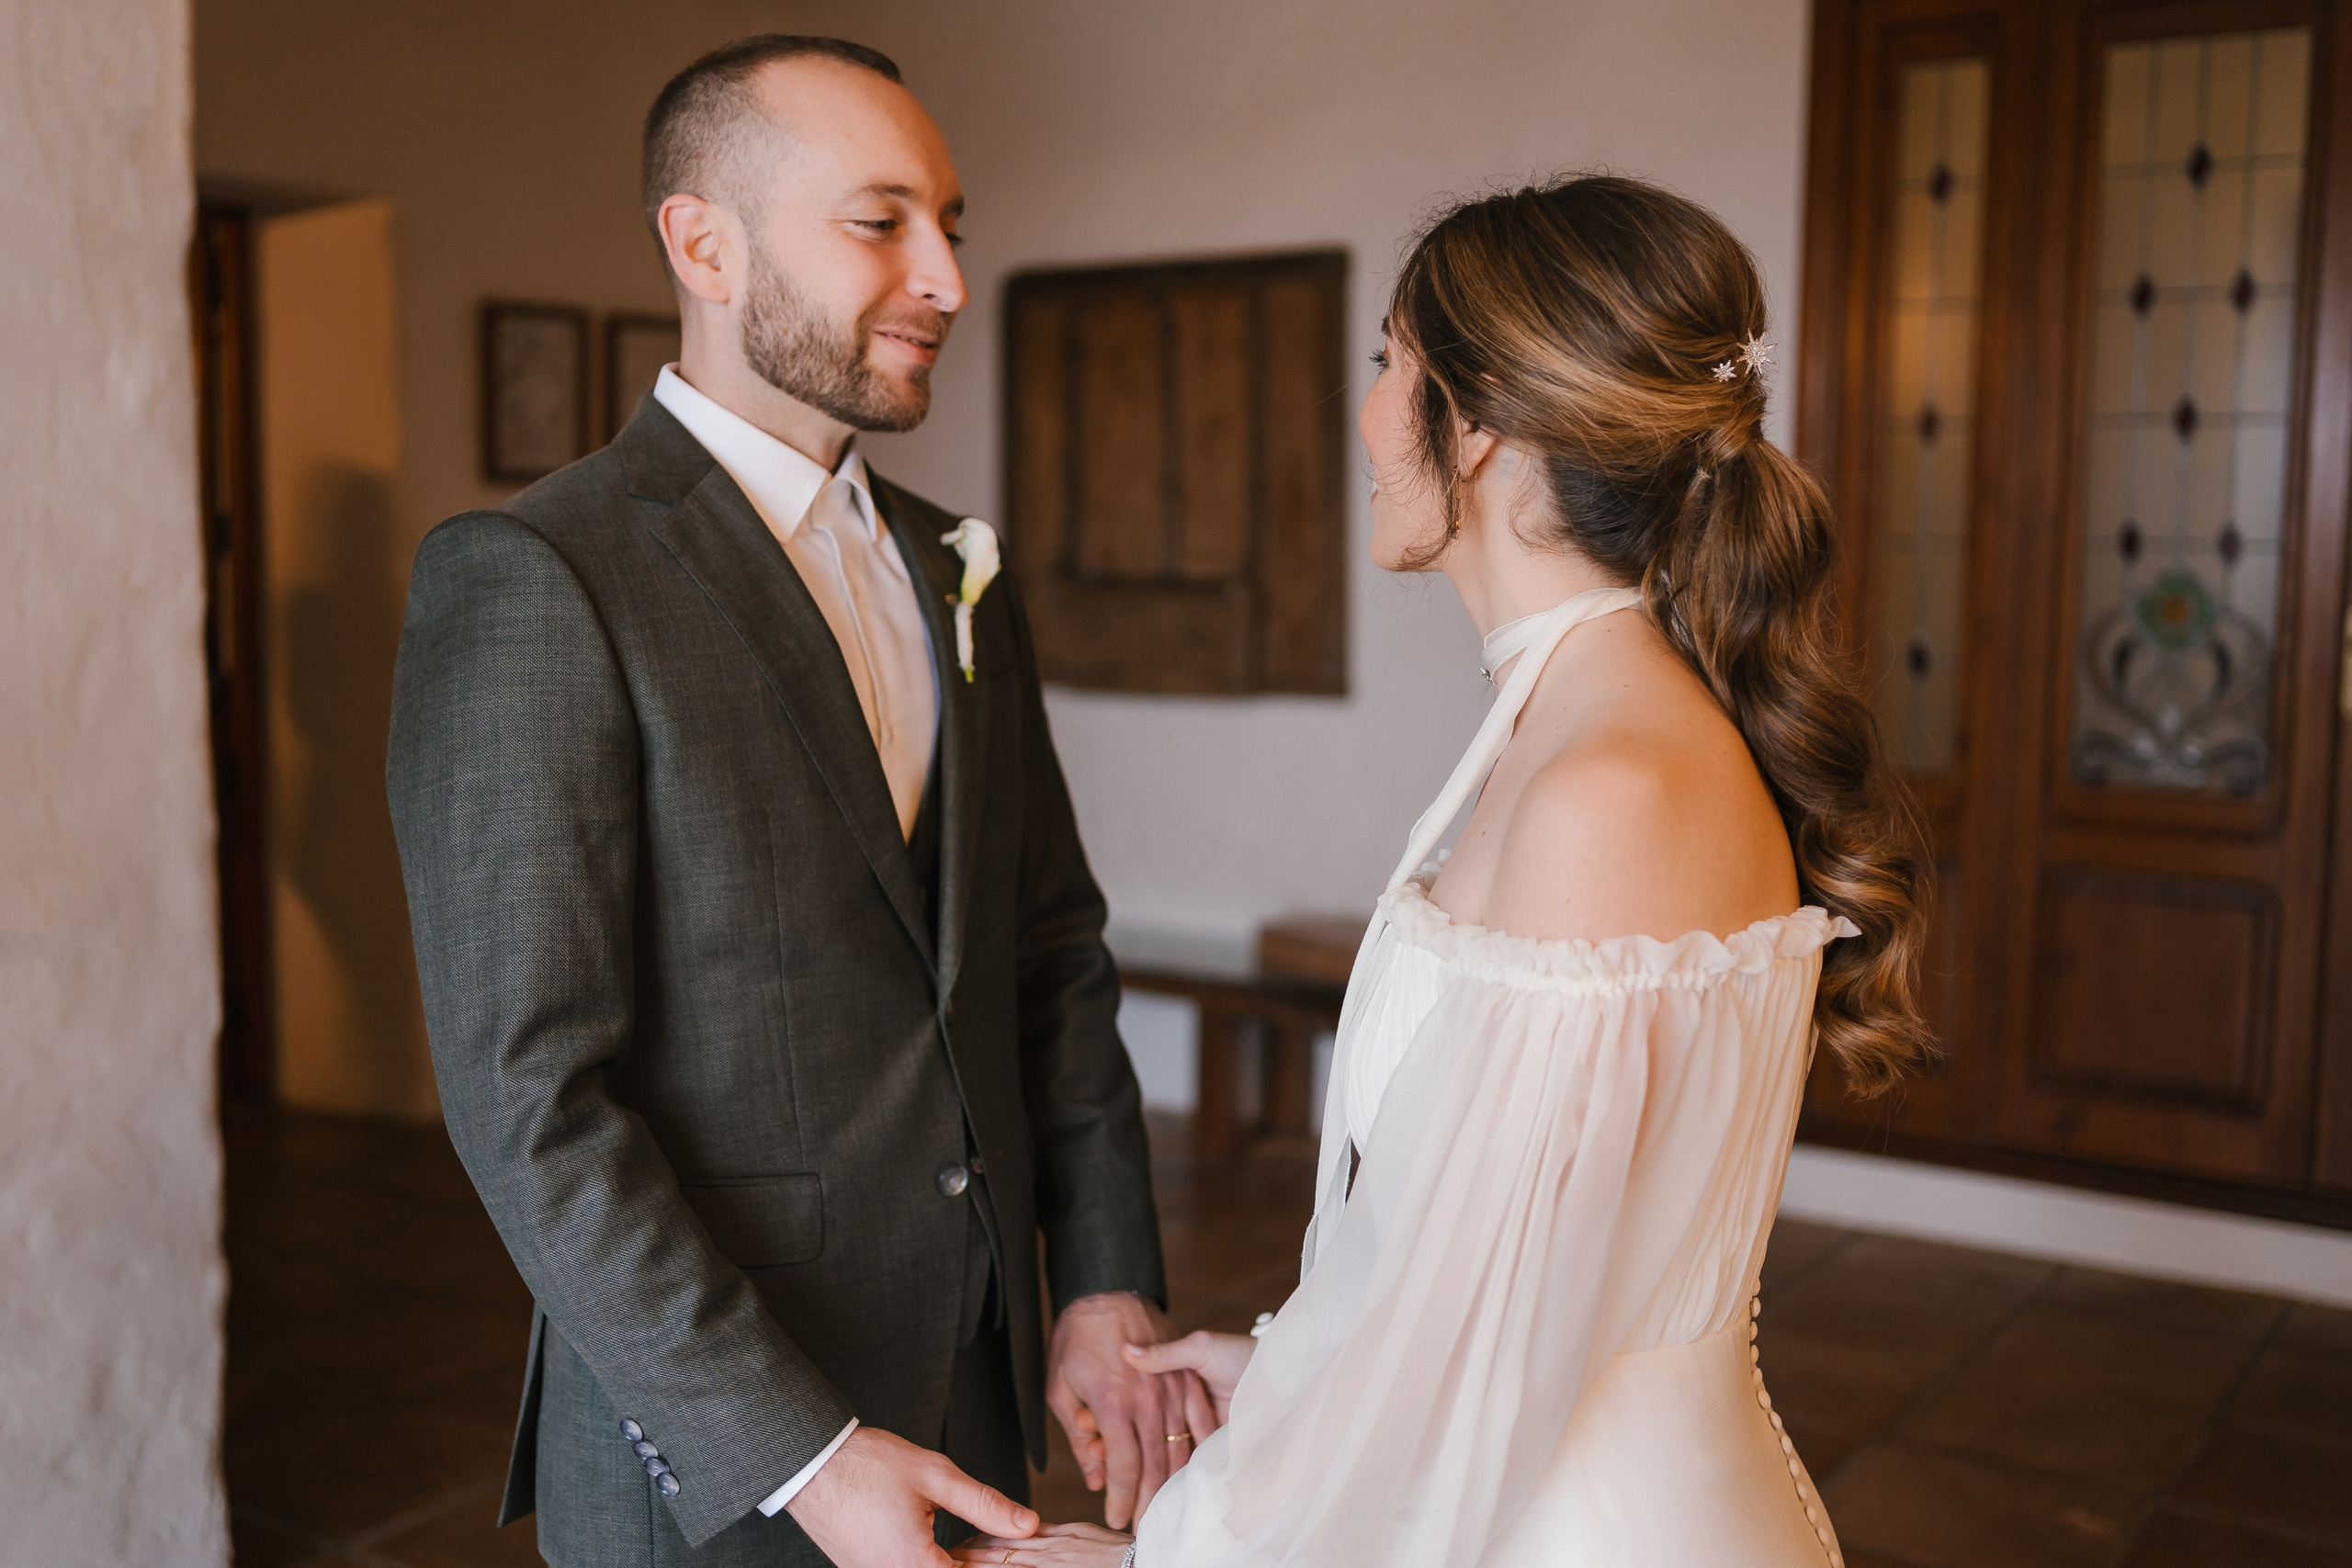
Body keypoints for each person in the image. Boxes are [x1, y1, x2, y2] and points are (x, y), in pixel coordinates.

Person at [955, 175, 1932, 1568]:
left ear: (1473, 427)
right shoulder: (1574, 727)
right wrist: (1278, 1373)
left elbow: (1491, 1368)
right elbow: (1486, 1273)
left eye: (1386, 366)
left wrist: (1162, 1556)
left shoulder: (1608, 787)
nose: (1366, 416)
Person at [388, 36, 1210, 1568]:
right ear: (703, 242)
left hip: (975, 1392)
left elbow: (1048, 948)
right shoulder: (539, 579)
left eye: (951, 224)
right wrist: (802, 1454)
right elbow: (530, 1105)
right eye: (880, 221)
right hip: (714, 1447)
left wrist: (1099, 1284)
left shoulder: (958, 562)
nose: (949, 279)